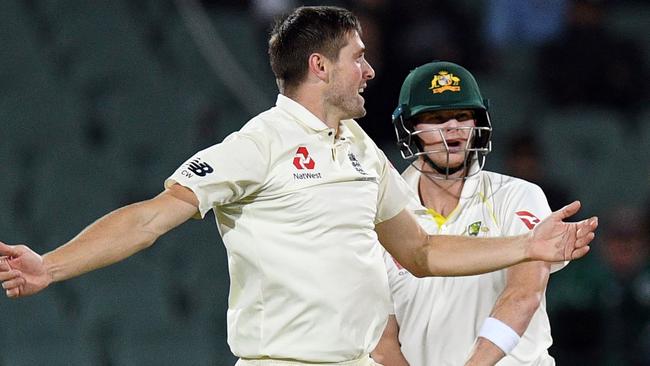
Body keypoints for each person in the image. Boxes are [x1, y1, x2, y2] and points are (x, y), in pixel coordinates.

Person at [0, 7, 597, 366]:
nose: (370, 69)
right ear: (319, 67)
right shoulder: (259, 143)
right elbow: (153, 218)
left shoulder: (364, 150)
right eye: (357, 57)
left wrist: (527, 247)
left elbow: (421, 253)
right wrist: (51, 266)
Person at [371, 61, 567, 365]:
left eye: (463, 115)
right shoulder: (383, 214)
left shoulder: (518, 196)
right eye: (436, 117)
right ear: (409, 129)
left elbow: (523, 294)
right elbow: (383, 342)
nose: (453, 127)